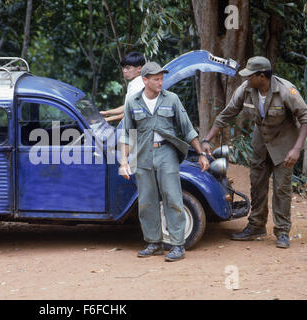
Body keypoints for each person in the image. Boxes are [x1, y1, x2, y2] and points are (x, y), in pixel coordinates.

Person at [202, 56, 307, 249]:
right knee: (257, 183)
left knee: (281, 189)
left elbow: (305, 116)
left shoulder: (285, 90)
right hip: (261, 142)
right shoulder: (246, 89)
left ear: (262, 76)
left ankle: (282, 231)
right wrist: (207, 139)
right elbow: (227, 113)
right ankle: (256, 226)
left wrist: (296, 148)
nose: (246, 79)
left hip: (284, 144)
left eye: (250, 76)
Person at [119, 62, 210, 262]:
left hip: (166, 153)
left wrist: (201, 153)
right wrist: (123, 161)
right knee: (146, 200)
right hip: (142, 155)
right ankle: (154, 243)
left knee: (172, 196)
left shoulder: (172, 99)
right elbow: (126, 134)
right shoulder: (133, 102)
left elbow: (188, 129)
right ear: (145, 80)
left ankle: (178, 245)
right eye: (156, 79)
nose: (161, 82)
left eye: (162, 78)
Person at [100, 52, 145, 122]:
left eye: (128, 68)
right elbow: (127, 107)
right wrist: (107, 113)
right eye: (123, 68)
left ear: (139, 68)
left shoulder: (138, 86)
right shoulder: (135, 83)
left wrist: (106, 119)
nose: (124, 71)